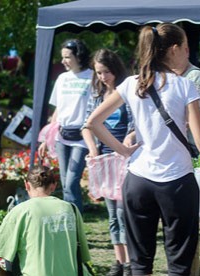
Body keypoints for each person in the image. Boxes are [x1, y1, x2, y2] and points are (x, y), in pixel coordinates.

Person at [85, 23, 200, 276]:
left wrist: (123, 150)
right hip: (177, 181)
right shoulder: (183, 85)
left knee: (140, 263)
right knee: (179, 264)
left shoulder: (132, 83)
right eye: (185, 47)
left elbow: (93, 122)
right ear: (174, 49)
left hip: (138, 180)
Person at [0, 165, 91, 275]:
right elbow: (82, 256)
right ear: (53, 186)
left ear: (27, 185)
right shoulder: (71, 209)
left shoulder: (20, 211)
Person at [82, 49, 134, 276]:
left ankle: (132, 261)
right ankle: (119, 261)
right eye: (99, 73)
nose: (103, 77)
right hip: (104, 159)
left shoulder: (127, 92)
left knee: (124, 212)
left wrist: (126, 143)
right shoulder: (95, 95)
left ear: (115, 70)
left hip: (124, 158)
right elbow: (87, 126)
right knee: (112, 214)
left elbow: (134, 125)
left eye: (106, 72)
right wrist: (93, 149)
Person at [38, 39, 93, 212]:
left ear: (79, 56)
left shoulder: (92, 77)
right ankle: (72, 222)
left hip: (82, 136)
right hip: (62, 136)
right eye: (62, 57)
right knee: (65, 182)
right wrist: (46, 139)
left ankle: (75, 223)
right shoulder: (62, 78)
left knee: (71, 181)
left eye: (67, 57)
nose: (63, 61)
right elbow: (57, 110)